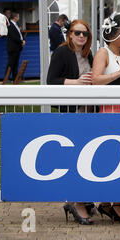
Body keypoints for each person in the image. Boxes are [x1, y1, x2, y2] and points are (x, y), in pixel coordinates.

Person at [47, 19, 94, 225]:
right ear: (70, 34)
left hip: (87, 111)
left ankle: (80, 198)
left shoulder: (87, 53)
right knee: (73, 156)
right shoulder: (61, 51)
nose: (81, 36)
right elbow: (51, 80)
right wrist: (75, 82)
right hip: (70, 111)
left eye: (85, 33)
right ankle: (75, 201)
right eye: (77, 32)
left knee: (86, 156)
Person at [91, 13, 120, 224]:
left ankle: (114, 204)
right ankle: (111, 203)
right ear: (113, 34)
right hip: (109, 111)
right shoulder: (103, 53)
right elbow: (96, 79)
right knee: (111, 158)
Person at [6, 11, 25, 82]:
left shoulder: (16, 24)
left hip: (17, 47)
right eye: (18, 16)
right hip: (12, 48)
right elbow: (14, 37)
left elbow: (20, 34)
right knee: (11, 63)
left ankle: (15, 78)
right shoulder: (10, 25)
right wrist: (21, 41)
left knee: (15, 64)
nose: (19, 18)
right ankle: (7, 78)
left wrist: (23, 40)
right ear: (15, 17)